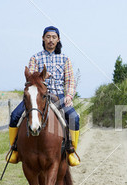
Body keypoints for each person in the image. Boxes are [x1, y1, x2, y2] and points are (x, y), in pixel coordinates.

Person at [6, 26, 80, 166]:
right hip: (38, 95)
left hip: (59, 96)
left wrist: (69, 96)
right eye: (48, 37)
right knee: (15, 115)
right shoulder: (35, 58)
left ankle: (71, 151)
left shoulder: (65, 59)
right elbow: (31, 78)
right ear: (43, 38)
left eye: (53, 37)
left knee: (74, 117)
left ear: (58, 40)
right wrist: (41, 78)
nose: (50, 40)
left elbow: (70, 80)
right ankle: (14, 150)